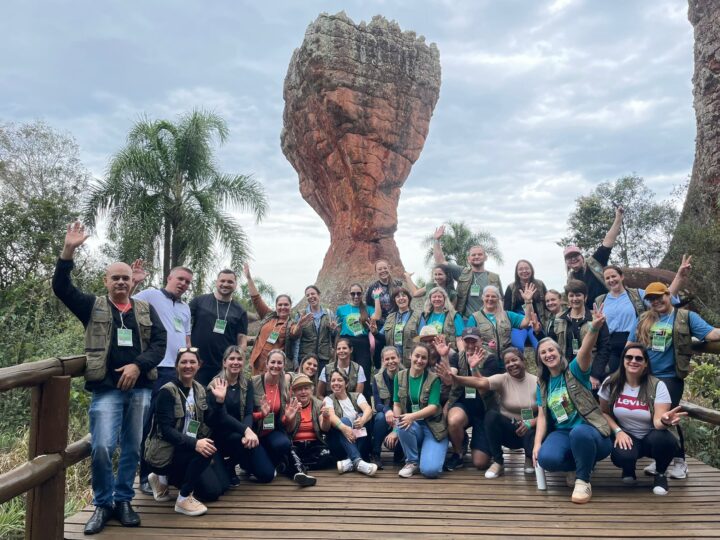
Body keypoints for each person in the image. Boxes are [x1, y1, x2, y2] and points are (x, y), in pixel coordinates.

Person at [52, 222, 167, 534]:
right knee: (102, 446)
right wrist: (68, 250)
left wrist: (137, 366)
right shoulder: (92, 306)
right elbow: (62, 288)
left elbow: (160, 342)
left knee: (131, 446)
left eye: (125, 278)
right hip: (106, 390)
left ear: (132, 282)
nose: (120, 282)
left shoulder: (143, 309)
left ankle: (124, 500)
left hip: (140, 388)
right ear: (106, 281)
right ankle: (103, 504)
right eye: (115, 277)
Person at [628, 280, 720, 479]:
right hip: (647, 376)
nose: (656, 301)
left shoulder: (685, 317)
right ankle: (663, 458)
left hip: (670, 376)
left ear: (668, 295)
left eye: (659, 296)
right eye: (651, 299)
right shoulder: (645, 319)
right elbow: (631, 343)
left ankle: (679, 461)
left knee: (669, 416)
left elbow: (711, 333)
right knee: (653, 416)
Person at [533, 305, 612, 504]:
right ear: (539, 359)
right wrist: (536, 444)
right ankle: (576, 466)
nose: (548, 354)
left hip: (590, 429)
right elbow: (542, 415)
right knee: (546, 458)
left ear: (559, 352)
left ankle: (583, 480)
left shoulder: (576, 370)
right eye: (543, 353)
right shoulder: (542, 383)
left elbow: (585, 351)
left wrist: (594, 328)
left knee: (579, 433)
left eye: (551, 350)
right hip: (563, 432)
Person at [132, 261, 194, 496]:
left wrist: (190, 363)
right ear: (169, 277)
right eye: (180, 279)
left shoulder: (185, 308)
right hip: (157, 369)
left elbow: (186, 340)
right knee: (150, 424)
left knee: (174, 423)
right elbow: (124, 305)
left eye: (187, 282)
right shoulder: (150, 295)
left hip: (179, 371)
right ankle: (145, 477)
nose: (183, 284)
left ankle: (164, 474)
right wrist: (135, 281)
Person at [145, 348, 229, 517]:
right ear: (176, 366)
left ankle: (163, 478)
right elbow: (166, 430)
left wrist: (219, 402)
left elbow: (211, 421)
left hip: (187, 448)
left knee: (220, 487)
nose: (188, 366)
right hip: (167, 451)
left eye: (192, 362)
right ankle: (182, 498)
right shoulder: (167, 392)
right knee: (209, 490)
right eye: (183, 362)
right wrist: (196, 444)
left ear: (199, 365)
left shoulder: (200, 390)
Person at [439, 347, 537, 479]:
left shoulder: (537, 381)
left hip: (529, 432)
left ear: (523, 361)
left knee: (534, 425)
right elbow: (480, 382)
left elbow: (546, 412)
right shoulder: (503, 379)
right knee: (491, 416)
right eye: (507, 362)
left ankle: (529, 457)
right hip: (508, 431)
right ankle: (498, 462)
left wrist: (531, 422)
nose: (511, 364)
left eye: (515, 360)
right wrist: (455, 377)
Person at [598, 345, 684, 495]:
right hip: (627, 436)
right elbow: (604, 412)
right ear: (623, 360)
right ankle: (628, 467)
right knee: (621, 456)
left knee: (666, 441)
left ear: (645, 364)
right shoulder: (611, 383)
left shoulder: (657, 385)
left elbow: (658, 421)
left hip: (651, 435)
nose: (633, 361)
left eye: (639, 358)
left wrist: (664, 421)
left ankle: (661, 474)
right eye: (629, 357)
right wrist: (618, 431)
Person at [597, 257, 688, 375]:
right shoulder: (601, 300)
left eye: (614, 276)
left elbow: (665, 296)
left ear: (621, 277)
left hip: (635, 341)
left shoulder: (637, 294)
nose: (611, 280)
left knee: (636, 377)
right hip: (610, 346)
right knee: (612, 379)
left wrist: (679, 276)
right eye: (607, 278)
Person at [205, 346, 276, 486]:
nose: (235, 362)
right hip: (219, 435)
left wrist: (247, 433)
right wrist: (246, 431)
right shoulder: (215, 384)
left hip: (240, 434)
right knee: (222, 485)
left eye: (239, 359)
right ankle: (229, 465)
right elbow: (222, 417)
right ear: (224, 362)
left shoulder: (246, 383)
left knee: (267, 475)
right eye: (231, 359)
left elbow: (249, 412)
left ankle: (238, 463)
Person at [438, 328, 504, 472]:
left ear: (480, 341)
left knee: (480, 463)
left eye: (473, 341)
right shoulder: (458, 356)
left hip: (484, 409)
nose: (470, 345)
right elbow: (450, 379)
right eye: (467, 341)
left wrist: (474, 368)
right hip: (464, 405)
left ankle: (486, 443)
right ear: (462, 342)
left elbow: (483, 389)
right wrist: (444, 358)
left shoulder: (490, 359)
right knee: (453, 420)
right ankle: (458, 452)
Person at [394, 344, 449, 478]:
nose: (419, 360)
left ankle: (430, 451)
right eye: (417, 356)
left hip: (433, 427)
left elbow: (433, 407)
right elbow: (396, 404)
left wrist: (411, 416)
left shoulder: (433, 378)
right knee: (401, 422)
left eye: (424, 358)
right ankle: (412, 462)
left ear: (427, 361)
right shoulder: (399, 376)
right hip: (413, 426)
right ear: (410, 356)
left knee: (431, 471)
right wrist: (396, 426)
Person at [545, 280, 611, 392]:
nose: (574, 299)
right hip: (566, 371)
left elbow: (605, 348)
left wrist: (595, 374)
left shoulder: (596, 318)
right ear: (567, 298)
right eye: (571, 295)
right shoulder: (559, 319)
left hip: (590, 373)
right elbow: (551, 345)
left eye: (578, 295)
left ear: (585, 297)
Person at [189, 269, 248, 386]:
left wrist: (236, 360)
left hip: (223, 367)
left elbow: (242, 339)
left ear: (235, 285)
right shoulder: (199, 301)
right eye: (223, 281)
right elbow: (184, 323)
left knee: (219, 400)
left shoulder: (240, 311)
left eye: (230, 282)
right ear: (216, 282)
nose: (225, 284)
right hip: (197, 363)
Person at [432, 225, 502, 318]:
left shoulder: (494, 277)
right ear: (469, 259)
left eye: (480, 254)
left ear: (485, 257)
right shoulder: (462, 272)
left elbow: (501, 300)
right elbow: (441, 262)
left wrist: (501, 318)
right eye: (473, 255)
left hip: (489, 319)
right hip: (465, 319)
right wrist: (436, 241)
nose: (476, 257)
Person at [563, 206, 624, 311]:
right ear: (566, 262)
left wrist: (618, 218)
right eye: (569, 258)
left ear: (582, 257)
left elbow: (607, 242)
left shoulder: (594, 262)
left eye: (575, 255)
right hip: (588, 316)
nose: (573, 259)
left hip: (610, 308)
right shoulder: (570, 279)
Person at [244, 264, 298, 375]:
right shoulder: (268, 315)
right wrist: (249, 278)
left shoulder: (291, 324)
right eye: (280, 305)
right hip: (257, 363)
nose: (283, 307)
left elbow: (295, 333)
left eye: (286, 305)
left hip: (274, 367)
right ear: (276, 306)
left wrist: (300, 324)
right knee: (256, 389)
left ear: (290, 306)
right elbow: (256, 299)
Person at [322, 370, 377, 476]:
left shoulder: (357, 396)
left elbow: (368, 410)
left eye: (339, 380)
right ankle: (358, 461)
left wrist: (362, 420)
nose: (336, 383)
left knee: (362, 416)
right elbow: (332, 416)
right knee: (344, 421)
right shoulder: (328, 399)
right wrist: (344, 428)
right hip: (339, 442)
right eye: (333, 381)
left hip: (359, 440)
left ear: (346, 383)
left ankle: (351, 462)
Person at [282, 374, 334, 486]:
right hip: (295, 445)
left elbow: (324, 428)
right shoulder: (290, 405)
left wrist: (326, 417)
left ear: (311, 390)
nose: (303, 392)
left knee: (327, 455)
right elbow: (289, 431)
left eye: (306, 388)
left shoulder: (318, 404)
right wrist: (291, 417)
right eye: (299, 389)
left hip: (313, 445)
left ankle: (296, 466)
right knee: (289, 452)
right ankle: (300, 472)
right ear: (293, 392)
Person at [335, 284, 380, 400]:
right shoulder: (341, 309)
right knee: (345, 373)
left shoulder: (367, 309)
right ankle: (344, 402)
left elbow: (377, 316)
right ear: (349, 294)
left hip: (362, 343)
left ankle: (364, 405)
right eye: (353, 293)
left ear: (362, 294)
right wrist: (333, 329)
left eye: (358, 293)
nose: (356, 296)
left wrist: (377, 298)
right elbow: (338, 327)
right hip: (346, 342)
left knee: (363, 373)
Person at [250, 350, 293, 470]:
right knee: (266, 475)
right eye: (273, 362)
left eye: (280, 363)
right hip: (254, 433)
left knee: (284, 443)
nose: (276, 365)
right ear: (267, 363)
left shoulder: (285, 386)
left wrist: (288, 418)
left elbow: (281, 421)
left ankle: (270, 459)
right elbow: (245, 414)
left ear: (284, 365)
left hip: (271, 432)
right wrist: (261, 415)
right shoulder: (253, 382)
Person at [466, 285, 535, 356]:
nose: (490, 299)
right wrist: (485, 346)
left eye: (493, 296)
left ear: (498, 299)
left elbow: (526, 321)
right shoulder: (474, 317)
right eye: (487, 296)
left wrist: (528, 301)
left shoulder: (508, 315)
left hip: (506, 361)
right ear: (483, 297)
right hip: (486, 361)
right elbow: (470, 341)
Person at [370, 346, 405, 468]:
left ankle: (400, 452)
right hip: (386, 417)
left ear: (399, 358)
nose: (391, 361)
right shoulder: (377, 378)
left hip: (402, 415)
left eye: (393, 358)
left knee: (398, 457)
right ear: (383, 361)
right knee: (379, 416)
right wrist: (387, 410)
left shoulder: (406, 376)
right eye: (387, 359)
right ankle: (376, 453)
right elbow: (377, 404)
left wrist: (397, 420)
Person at [366, 259, 405, 370]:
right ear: (376, 271)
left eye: (385, 268)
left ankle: (400, 373)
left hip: (396, 322)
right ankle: (378, 371)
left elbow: (403, 299)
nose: (383, 271)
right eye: (380, 269)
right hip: (380, 324)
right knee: (378, 347)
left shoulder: (397, 284)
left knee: (396, 348)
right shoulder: (373, 287)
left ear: (389, 268)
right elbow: (369, 305)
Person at [504, 260, 547, 350]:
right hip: (519, 323)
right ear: (517, 272)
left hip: (535, 322)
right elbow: (506, 309)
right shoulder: (511, 287)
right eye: (521, 269)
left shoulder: (540, 284)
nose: (524, 271)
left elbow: (546, 304)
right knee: (518, 347)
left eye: (527, 268)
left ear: (531, 270)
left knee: (540, 347)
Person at [294, 285, 336, 375]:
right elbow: (297, 339)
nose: (310, 297)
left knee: (321, 385)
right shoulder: (301, 314)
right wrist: (296, 361)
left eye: (313, 294)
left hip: (323, 358)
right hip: (306, 358)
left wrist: (333, 329)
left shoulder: (328, 314)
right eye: (308, 295)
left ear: (319, 295)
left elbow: (331, 337)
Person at [381, 287, 420, 368]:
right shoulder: (390, 317)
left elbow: (422, 337)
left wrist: (414, 349)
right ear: (395, 300)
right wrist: (374, 332)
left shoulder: (418, 316)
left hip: (410, 360)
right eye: (398, 297)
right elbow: (381, 336)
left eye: (404, 296)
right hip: (393, 361)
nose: (401, 298)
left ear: (409, 298)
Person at [419, 287, 465, 351]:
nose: (437, 299)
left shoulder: (454, 316)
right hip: (429, 352)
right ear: (430, 299)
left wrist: (462, 357)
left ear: (444, 299)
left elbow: (460, 339)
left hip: (448, 352)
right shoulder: (425, 316)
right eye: (434, 297)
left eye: (439, 296)